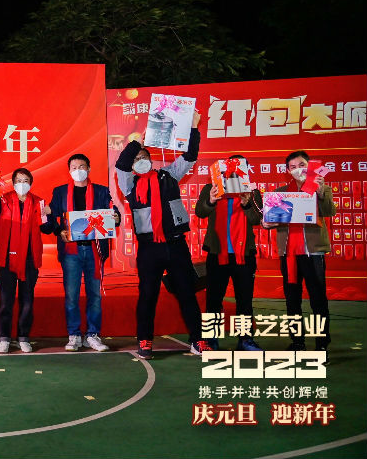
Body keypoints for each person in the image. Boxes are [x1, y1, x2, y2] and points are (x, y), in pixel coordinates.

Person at [115, 110, 211, 359]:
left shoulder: (169, 175)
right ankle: (145, 340)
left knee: (187, 293)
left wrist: (193, 127)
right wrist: (138, 142)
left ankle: (197, 340)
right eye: (137, 158)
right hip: (149, 248)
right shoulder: (129, 185)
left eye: (144, 156)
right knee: (148, 295)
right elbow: (120, 164)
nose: (140, 160)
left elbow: (190, 156)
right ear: (133, 165)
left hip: (176, 245)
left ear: (151, 159)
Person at [41, 154, 121, 352]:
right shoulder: (60, 192)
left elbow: (113, 213)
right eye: (74, 167)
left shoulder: (102, 191)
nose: (78, 170)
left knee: (95, 295)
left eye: (82, 166)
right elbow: (51, 218)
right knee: (71, 295)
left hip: (94, 249)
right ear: (69, 171)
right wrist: (59, 231)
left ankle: (92, 335)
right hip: (71, 251)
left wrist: (116, 217)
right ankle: (74, 335)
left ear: (89, 169)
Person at [262, 150, 335, 352]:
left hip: (313, 252)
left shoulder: (321, 188)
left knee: (318, 299)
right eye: (293, 167)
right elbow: (271, 219)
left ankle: (322, 344)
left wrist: (321, 192)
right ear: (287, 170)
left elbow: (329, 211)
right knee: (292, 300)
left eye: (302, 165)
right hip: (288, 254)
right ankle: (297, 342)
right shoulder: (281, 193)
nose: (298, 170)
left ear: (310, 166)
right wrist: (266, 223)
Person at [195, 154, 264, 352]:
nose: (235, 173)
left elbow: (257, 220)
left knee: (245, 300)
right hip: (217, 253)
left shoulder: (252, 192)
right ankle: (211, 339)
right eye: (230, 168)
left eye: (240, 169)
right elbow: (200, 212)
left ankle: (245, 340)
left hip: (244, 254)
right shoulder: (211, 188)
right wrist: (211, 200)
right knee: (213, 299)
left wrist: (247, 203)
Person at [0, 168, 47, 353]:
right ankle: (4, 337)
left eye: (26, 180)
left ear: (31, 183)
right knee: (6, 301)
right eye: (18, 180)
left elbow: (47, 228)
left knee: (27, 300)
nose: (22, 184)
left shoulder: (39, 202)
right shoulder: (4, 200)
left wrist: (48, 214)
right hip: (7, 259)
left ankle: (23, 337)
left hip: (29, 259)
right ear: (13, 182)